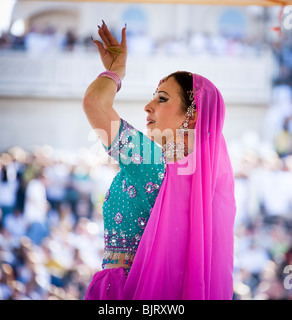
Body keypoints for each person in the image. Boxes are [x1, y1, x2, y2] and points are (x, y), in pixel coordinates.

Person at [83, 21, 236, 300]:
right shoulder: (201, 185)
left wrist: (116, 70)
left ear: (191, 115)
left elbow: (95, 103)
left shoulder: (152, 163)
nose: (148, 106)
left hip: (122, 292)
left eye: (162, 99)